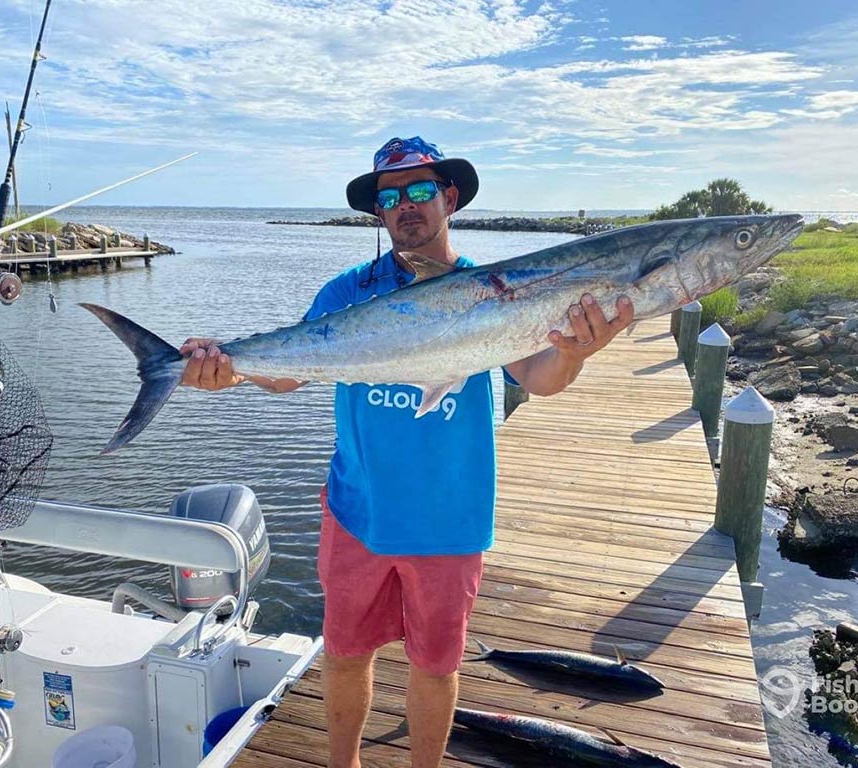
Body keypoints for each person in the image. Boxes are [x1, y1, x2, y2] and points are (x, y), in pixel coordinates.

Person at [179, 136, 635, 768]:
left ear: (448, 197)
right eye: (390, 197)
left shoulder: (499, 291)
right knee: (343, 654)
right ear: (379, 212)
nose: (405, 206)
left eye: (420, 190)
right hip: (357, 510)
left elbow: (539, 377)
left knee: (435, 665)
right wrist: (225, 367)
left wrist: (576, 352)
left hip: (450, 518)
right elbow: (288, 370)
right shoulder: (348, 292)